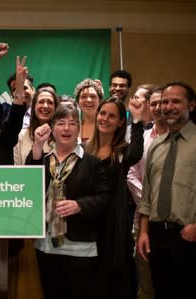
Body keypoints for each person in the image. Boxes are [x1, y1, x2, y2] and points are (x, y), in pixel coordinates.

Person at [27, 105, 110, 299]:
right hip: (46, 244)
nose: (66, 128)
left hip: (79, 246)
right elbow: (29, 184)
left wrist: (79, 205)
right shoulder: (44, 159)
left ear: (78, 128)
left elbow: (105, 198)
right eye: (61, 123)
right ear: (52, 128)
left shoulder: (92, 162)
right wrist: (38, 144)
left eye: (72, 123)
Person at [137, 81, 196, 299]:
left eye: (176, 101)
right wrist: (143, 232)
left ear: (191, 105)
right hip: (156, 237)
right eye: (164, 102)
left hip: (188, 236)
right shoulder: (156, 146)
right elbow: (147, 195)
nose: (168, 106)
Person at [85, 97, 145, 299]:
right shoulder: (85, 150)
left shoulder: (123, 151)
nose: (105, 119)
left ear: (121, 122)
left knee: (113, 282)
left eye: (112, 116)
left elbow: (136, 153)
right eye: (102, 114)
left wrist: (136, 120)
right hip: (89, 222)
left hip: (113, 225)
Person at [127, 87, 167, 299]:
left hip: (176, 222)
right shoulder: (141, 138)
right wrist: (150, 204)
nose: (159, 108)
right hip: (143, 220)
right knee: (146, 285)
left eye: (163, 103)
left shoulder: (184, 138)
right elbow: (131, 174)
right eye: (154, 104)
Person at [13, 89, 59, 165]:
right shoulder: (21, 136)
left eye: (50, 102)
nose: (45, 106)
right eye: (41, 102)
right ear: (34, 107)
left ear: (56, 108)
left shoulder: (64, 135)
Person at [74, 78, 104, 143]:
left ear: (100, 101)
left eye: (93, 96)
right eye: (83, 96)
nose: (89, 100)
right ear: (78, 102)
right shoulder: (73, 127)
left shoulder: (106, 126)